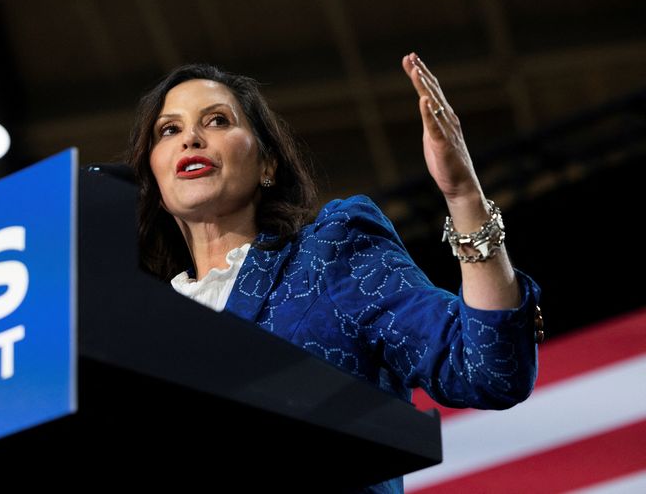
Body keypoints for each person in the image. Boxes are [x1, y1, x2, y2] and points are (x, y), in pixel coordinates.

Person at [126, 53, 543, 493]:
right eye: (169, 130)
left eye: (217, 121)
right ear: (152, 181)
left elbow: (488, 370)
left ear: (268, 164)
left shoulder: (330, 254)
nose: (191, 138)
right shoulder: (138, 332)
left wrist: (463, 198)